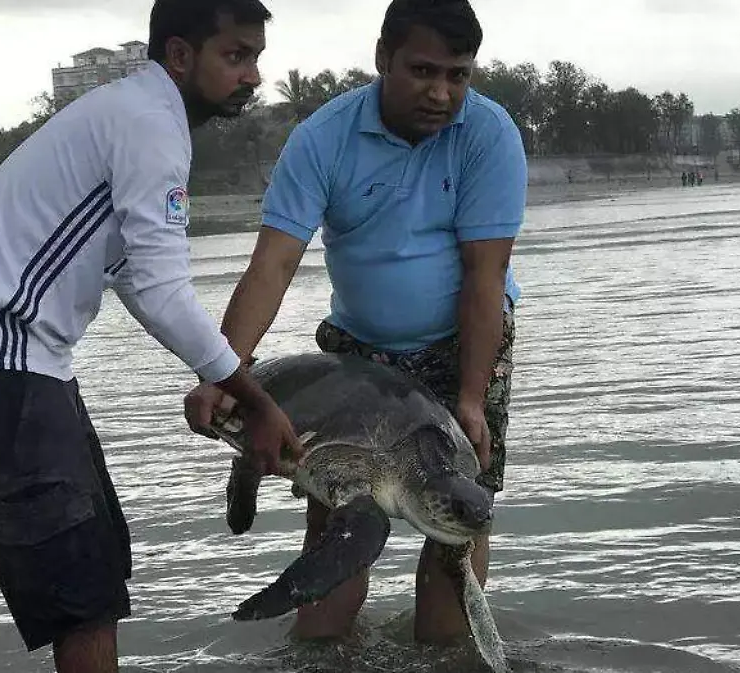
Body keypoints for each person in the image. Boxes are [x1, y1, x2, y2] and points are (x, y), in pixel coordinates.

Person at [0, 1, 303, 670]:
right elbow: (167, 293)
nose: (253, 75)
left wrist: (217, 376)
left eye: (256, 57)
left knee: (99, 577)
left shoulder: (137, 114)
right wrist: (256, 400)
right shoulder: (149, 126)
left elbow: (134, 278)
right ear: (179, 55)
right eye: (235, 56)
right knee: (83, 600)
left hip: (9, 369)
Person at [183, 0, 526, 647]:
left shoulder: (489, 133)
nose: (442, 91)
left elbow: (485, 279)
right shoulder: (324, 137)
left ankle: (444, 656)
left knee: (461, 520)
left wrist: (472, 400)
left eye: (458, 74)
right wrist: (221, 373)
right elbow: (272, 266)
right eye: (423, 70)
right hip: (361, 353)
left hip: (465, 341)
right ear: (381, 59)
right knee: (344, 520)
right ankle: (317, 653)